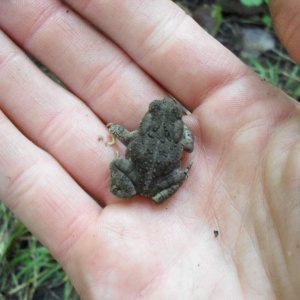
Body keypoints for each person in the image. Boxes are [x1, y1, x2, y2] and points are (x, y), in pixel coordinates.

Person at [0, 0, 299, 299]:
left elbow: (132, 141)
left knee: (121, 164)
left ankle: (148, 185)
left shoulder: (142, 132)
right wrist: (179, 149)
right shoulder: (176, 136)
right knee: (175, 172)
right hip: (158, 182)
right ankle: (163, 191)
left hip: (135, 175)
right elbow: (189, 146)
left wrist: (119, 132)